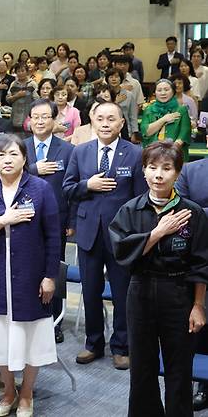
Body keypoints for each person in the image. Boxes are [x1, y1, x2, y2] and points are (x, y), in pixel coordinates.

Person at [109, 140, 208, 417]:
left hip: (178, 292)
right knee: (142, 368)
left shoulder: (193, 212)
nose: (158, 175)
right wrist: (157, 233)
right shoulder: (130, 210)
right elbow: (121, 251)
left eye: (166, 168)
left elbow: (201, 263)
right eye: (152, 168)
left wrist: (198, 305)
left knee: (179, 369)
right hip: (140, 291)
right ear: (143, 171)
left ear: (178, 173)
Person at [0, 133, 60, 417]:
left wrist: (50, 276)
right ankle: (8, 390)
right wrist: (1, 221)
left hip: (31, 278)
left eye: (13, 154)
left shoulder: (41, 189)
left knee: (32, 339)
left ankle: (27, 393)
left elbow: (53, 236)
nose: (7, 160)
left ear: (24, 158)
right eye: (1, 155)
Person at [63, 101, 148, 370]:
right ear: (92, 121)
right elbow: (68, 188)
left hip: (121, 236)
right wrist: (88, 185)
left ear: (122, 123)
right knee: (90, 291)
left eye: (112, 119)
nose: (105, 124)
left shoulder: (135, 153)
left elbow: (141, 198)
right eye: (100, 118)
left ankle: (121, 346)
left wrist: (136, 234)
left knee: (122, 293)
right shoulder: (81, 151)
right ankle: (93, 343)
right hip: (88, 233)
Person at [24, 99, 75, 343]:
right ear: (29, 121)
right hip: (23, 220)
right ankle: (31, 315)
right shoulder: (20, 148)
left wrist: (72, 221)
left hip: (57, 221)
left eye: (45, 117)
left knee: (54, 269)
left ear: (54, 120)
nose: (40, 121)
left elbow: (73, 188)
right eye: (36, 117)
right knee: (28, 268)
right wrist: (33, 169)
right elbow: (7, 174)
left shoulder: (68, 150)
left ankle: (54, 322)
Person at [175, 157, 208, 410]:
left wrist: (201, 211)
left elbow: (196, 211)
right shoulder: (190, 170)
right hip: (198, 256)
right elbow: (183, 211)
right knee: (201, 324)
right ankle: (203, 385)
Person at [141, 79, 192, 162]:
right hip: (153, 153)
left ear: (173, 92)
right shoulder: (149, 109)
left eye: (166, 90)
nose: (163, 93)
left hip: (175, 154)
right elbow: (146, 131)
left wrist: (171, 150)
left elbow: (185, 132)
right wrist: (163, 119)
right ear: (155, 93)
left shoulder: (181, 109)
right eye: (159, 90)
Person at [105, 69, 138, 139]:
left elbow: (133, 115)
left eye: (116, 77)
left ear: (121, 79)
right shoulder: (103, 94)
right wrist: (115, 102)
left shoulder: (129, 95)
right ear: (107, 79)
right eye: (111, 77)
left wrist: (134, 132)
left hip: (125, 130)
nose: (114, 79)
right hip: (107, 129)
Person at [7, 63, 39, 134]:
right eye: (18, 71)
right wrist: (17, 96)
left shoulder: (32, 84)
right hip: (15, 117)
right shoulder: (13, 84)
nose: (20, 73)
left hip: (28, 117)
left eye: (22, 71)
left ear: (27, 72)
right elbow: (8, 100)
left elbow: (37, 100)